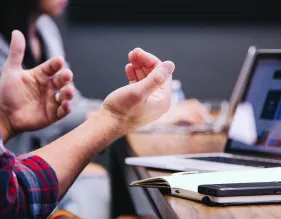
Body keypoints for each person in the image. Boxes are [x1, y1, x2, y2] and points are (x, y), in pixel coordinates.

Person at [0, 0, 208, 218]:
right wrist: (121, 117)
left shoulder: (46, 29)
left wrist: (5, 119)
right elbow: (14, 198)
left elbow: (66, 106)